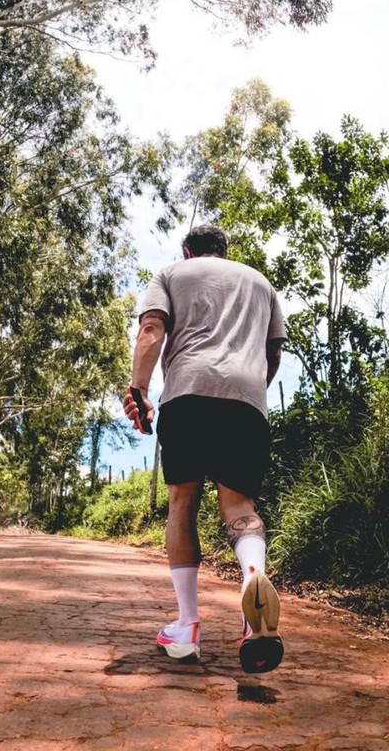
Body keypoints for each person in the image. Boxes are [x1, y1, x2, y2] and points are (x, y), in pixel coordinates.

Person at [123, 224, 286, 674]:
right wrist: (247, 391)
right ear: (225, 251)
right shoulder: (261, 283)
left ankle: (187, 626)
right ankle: (253, 581)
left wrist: (138, 389)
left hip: (187, 397)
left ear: (188, 250)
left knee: (182, 503)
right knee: (240, 507)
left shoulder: (172, 273)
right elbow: (273, 354)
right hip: (246, 401)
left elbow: (152, 329)